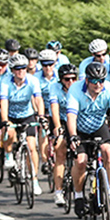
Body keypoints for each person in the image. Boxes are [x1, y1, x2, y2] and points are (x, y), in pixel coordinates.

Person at [66, 62, 110, 218]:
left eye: (101, 80)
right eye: (94, 81)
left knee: (108, 151)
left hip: (99, 126)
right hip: (79, 128)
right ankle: (78, 196)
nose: (98, 84)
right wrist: (73, 135)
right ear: (87, 80)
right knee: (81, 160)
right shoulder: (75, 89)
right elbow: (71, 116)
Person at [0, 54, 45, 196]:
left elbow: (38, 99)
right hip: (10, 115)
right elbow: (4, 103)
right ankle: (8, 154)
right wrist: (5, 120)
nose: (21, 71)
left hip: (26, 115)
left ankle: (35, 179)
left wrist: (41, 116)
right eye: (17, 69)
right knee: (9, 133)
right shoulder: (5, 82)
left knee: (31, 147)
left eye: (23, 68)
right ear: (12, 70)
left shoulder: (33, 80)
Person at [48, 63, 79, 207]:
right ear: (61, 80)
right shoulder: (54, 88)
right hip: (60, 119)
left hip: (76, 120)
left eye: (73, 78)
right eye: (67, 79)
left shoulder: (79, 87)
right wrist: (58, 127)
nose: (71, 82)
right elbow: (54, 108)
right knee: (60, 151)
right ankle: (58, 191)